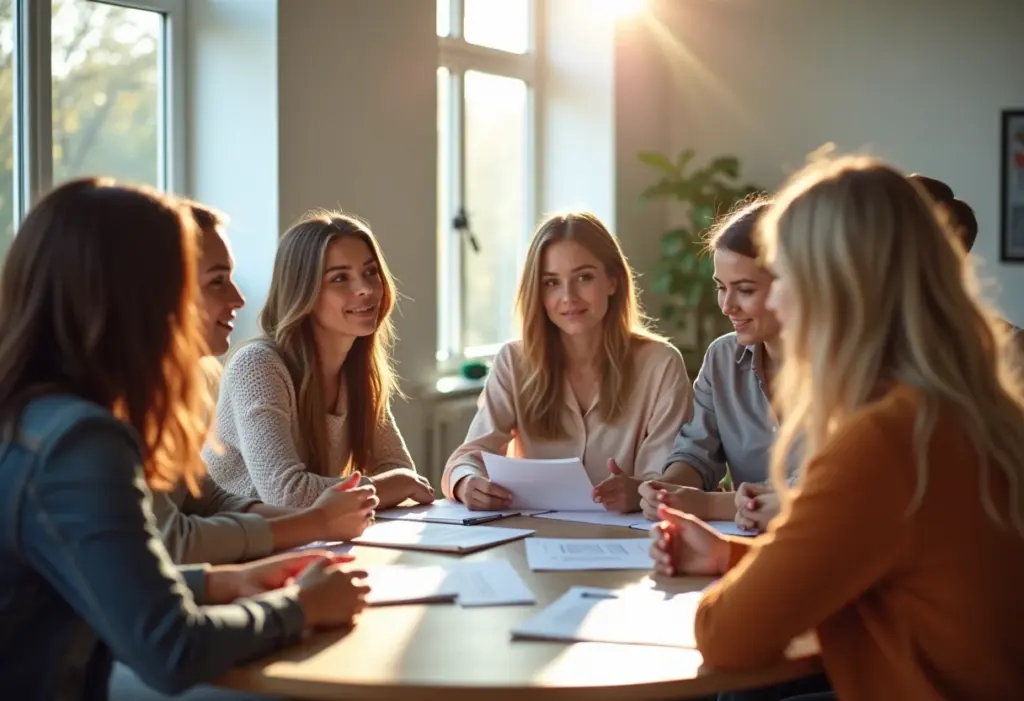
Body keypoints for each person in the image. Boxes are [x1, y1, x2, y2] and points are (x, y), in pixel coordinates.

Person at [651, 156, 1024, 701]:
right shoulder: (965, 407)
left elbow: (725, 637)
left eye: (787, 277)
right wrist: (728, 556)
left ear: (839, 289)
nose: (773, 299)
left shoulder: (884, 440)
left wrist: (735, 577)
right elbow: (883, 561)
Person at [0, 178, 371, 700]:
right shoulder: (78, 442)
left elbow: (100, 583)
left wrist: (223, 584)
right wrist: (302, 607)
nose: (239, 298)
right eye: (213, 281)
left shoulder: (38, 417)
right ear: (140, 295)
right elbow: (171, 649)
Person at [147, 201, 377, 566]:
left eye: (371, 273)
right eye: (217, 281)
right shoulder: (256, 364)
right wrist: (317, 521)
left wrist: (317, 522)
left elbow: (207, 500)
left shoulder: (160, 397)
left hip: (245, 559)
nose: (239, 298)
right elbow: (170, 543)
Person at [442, 211, 692, 512]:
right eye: (551, 283)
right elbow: (467, 458)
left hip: (632, 538)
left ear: (612, 281)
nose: (568, 297)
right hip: (534, 538)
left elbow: (669, 480)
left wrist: (639, 491)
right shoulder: (514, 361)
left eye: (584, 277)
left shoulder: (660, 364)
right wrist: (468, 482)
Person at [205, 210, 431, 509]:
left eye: (370, 272)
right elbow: (288, 494)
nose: (365, 288)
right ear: (303, 292)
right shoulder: (257, 365)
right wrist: (396, 484)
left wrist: (397, 483)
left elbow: (396, 470)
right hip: (236, 548)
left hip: (303, 542)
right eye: (339, 278)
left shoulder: (358, 370)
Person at [639, 199, 789, 533]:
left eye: (745, 290)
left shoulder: (843, 370)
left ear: (791, 285)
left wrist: (706, 504)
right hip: (744, 543)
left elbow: (813, 491)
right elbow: (695, 451)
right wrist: (668, 489)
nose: (726, 306)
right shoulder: (722, 357)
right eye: (721, 288)